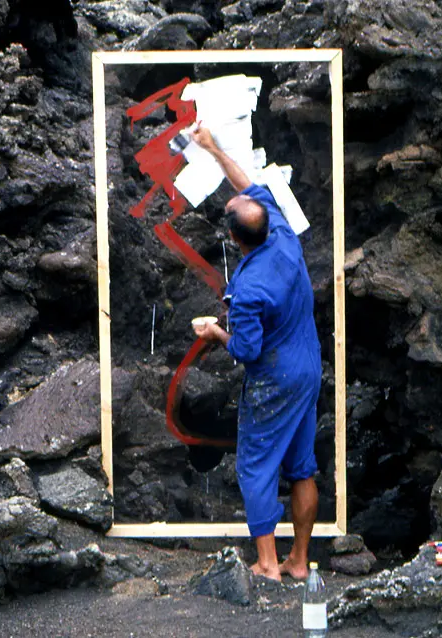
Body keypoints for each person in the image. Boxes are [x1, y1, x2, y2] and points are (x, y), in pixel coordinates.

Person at [190, 125, 322, 581]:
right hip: (308, 366)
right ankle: (300, 562)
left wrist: (214, 334)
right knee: (302, 466)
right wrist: (213, 148)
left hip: (275, 378)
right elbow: (247, 187)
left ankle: (268, 563)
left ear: (233, 239)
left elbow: (246, 350)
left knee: (256, 468)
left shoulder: (246, 291)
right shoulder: (282, 234)